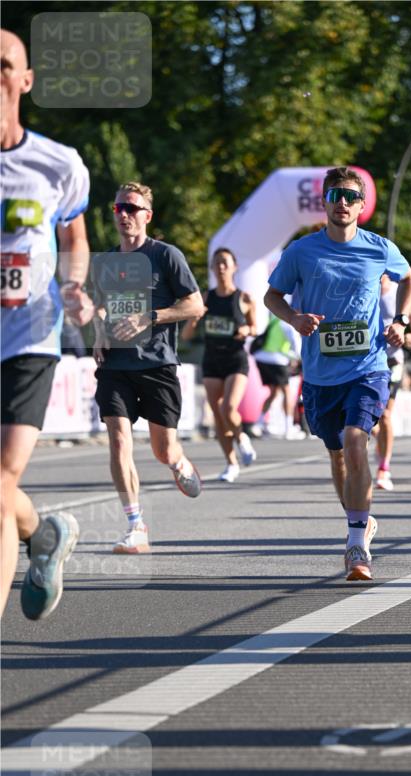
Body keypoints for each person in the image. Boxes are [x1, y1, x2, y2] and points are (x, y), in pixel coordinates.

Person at [264, 165, 411, 581]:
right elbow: (271, 295)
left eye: (351, 197)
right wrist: (294, 319)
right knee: (337, 456)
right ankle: (359, 521)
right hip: (319, 373)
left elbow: (410, 277)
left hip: (368, 366)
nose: (343, 203)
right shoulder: (300, 252)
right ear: (325, 203)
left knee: (355, 440)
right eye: (335, 196)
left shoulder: (379, 248)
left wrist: (400, 320)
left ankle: (355, 546)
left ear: (362, 205)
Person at [1, 29, 94, 620]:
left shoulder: (58, 164)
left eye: (3, 64)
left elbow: (74, 239)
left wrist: (75, 283)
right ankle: (42, 534)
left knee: (1, 477)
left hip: (29, 336)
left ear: (25, 80)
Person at [91, 182, 205, 553]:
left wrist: (151, 317)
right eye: (119, 208)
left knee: (163, 451)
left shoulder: (166, 256)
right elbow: (103, 306)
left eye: (132, 208)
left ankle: (179, 462)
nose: (124, 214)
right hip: (115, 365)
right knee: (119, 439)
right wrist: (98, 329)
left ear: (147, 216)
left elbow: (195, 306)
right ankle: (135, 523)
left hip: (157, 365)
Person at [182, 247, 257, 482]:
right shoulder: (205, 298)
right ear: (213, 269)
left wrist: (246, 329)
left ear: (234, 267)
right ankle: (231, 463)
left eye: (225, 262)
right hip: (212, 359)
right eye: (217, 263)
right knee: (217, 415)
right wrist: (194, 318)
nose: (221, 267)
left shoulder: (244, 298)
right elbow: (185, 336)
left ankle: (242, 438)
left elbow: (255, 328)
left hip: (235, 359)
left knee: (229, 408)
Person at [374, 274, 411, 490]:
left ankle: (384, 469)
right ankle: (377, 437)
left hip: (392, 360)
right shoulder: (361, 284)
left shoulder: (400, 289)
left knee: (385, 414)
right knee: (369, 419)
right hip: (363, 361)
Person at [253, 314, 305, 439]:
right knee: (287, 392)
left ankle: (259, 424)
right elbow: (297, 349)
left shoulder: (275, 319)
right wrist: (298, 360)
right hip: (277, 360)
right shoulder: (289, 324)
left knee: (273, 392)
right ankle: (288, 428)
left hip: (262, 358)